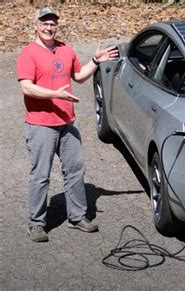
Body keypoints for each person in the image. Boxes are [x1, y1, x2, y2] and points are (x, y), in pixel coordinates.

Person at [16, 6, 118, 242]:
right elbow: (26, 87)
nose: (49, 27)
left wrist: (95, 60)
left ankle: (78, 216)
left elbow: (80, 76)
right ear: (35, 25)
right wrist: (55, 94)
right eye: (44, 23)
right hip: (40, 125)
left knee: (74, 170)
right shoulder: (28, 54)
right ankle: (37, 223)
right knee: (40, 175)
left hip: (67, 123)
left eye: (52, 23)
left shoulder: (65, 49)